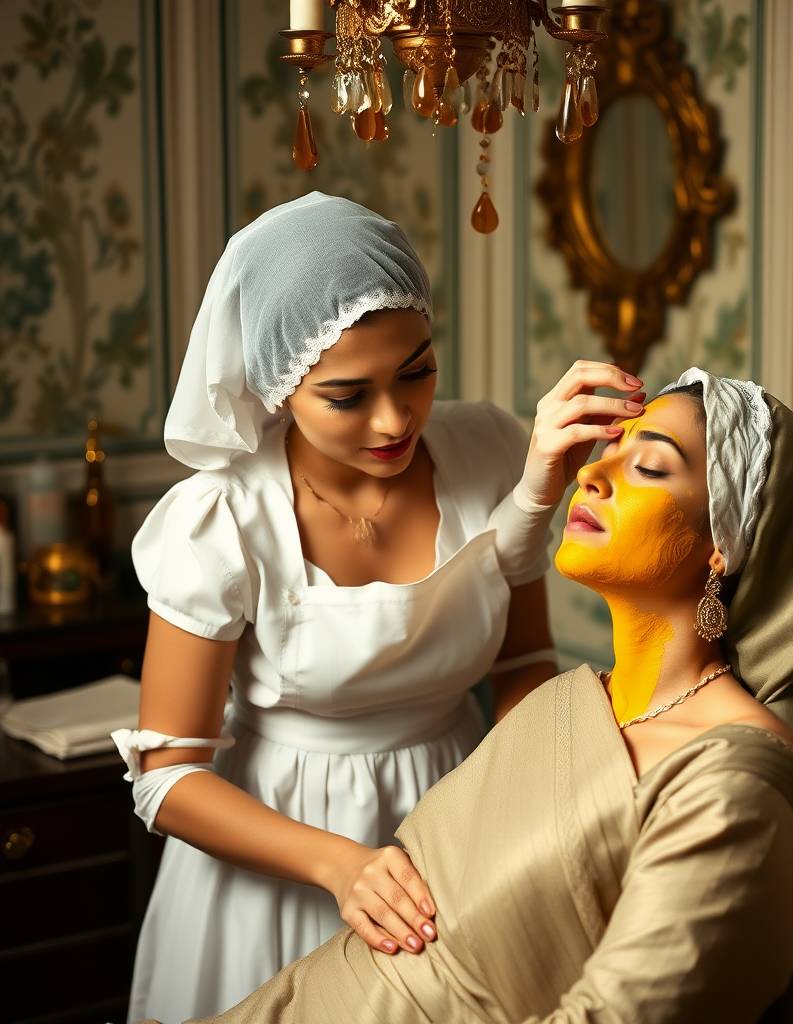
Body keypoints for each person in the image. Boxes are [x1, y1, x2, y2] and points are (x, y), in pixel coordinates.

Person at [146, 368, 793, 1024]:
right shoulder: (567, 704)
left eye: (651, 468)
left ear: (725, 544)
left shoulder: (737, 793)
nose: (593, 477)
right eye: (611, 451)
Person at [112, 192, 648, 1023]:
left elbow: (521, 664)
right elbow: (167, 779)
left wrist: (533, 811)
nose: (395, 419)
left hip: (454, 822)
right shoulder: (219, 520)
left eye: (417, 372)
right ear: (281, 386)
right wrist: (340, 865)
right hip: (276, 862)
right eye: (347, 396)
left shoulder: (493, 450)